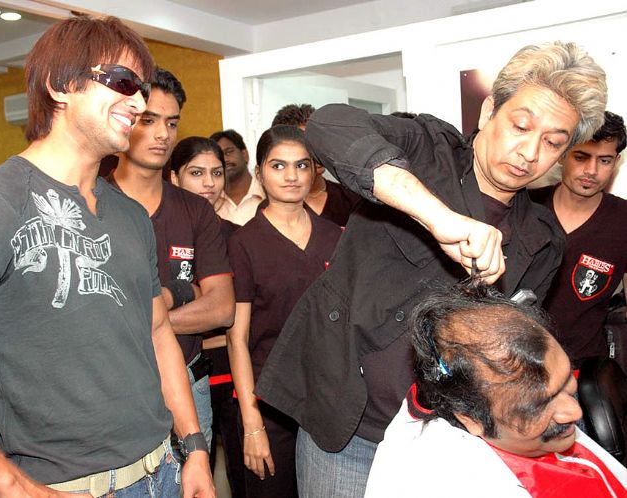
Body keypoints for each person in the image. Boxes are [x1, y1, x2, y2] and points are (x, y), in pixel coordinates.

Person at [0, 16, 215, 498]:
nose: (140, 104)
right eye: (122, 82)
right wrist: (12, 486)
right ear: (60, 85)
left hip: (163, 468)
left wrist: (194, 445)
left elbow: (158, 330)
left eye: (141, 90)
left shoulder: (129, 214)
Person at [255, 41, 607, 498]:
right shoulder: (427, 148)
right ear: (489, 111)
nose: (529, 151)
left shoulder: (542, 240)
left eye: (552, 142)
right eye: (520, 126)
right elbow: (329, 124)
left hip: (441, 440)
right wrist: (438, 218)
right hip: (346, 428)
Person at [365, 282, 627, 497]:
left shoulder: (507, 410)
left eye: (566, 381)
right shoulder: (448, 482)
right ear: (471, 418)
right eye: (539, 405)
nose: (574, 412)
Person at [109, 68, 235, 451]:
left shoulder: (196, 210)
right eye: (149, 120)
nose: (163, 134)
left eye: (172, 122)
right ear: (125, 119)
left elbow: (221, 308)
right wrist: (182, 296)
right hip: (117, 386)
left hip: (190, 382)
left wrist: (142, 324)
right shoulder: (92, 202)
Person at [227, 125, 342, 497]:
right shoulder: (244, 243)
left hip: (327, 400)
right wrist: (251, 422)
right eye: (278, 166)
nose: (291, 175)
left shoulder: (336, 237)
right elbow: (237, 340)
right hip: (270, 402)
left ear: (314, 171)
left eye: (301, 165)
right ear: (260, 173)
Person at [168, 136, 246, 497]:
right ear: (174, 177)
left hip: (231, 367)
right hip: (177, 365)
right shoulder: (157, 229)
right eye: (196, 173)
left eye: (216, 173)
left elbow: (227, 311)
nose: (209, 183)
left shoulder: (238, 237)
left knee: (233, 472)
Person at [530, 111, 627, 368]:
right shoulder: (524, 207)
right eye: (581, 157)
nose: (591, 171)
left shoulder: (623, 221)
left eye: (604, 160)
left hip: (585, 371)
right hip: (517, 364)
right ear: (562, 154)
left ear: (616, 161)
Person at [271, 103, 360, 226]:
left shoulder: (352, 198)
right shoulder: (274, 206)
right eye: (306, 144)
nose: (317, 151)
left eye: (319, 142)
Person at [210, 130, 264, 225]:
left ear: (245, 154)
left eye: (229, 152)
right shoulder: (211, 201)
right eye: (219, 156)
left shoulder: (268, 193)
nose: (225, 159)